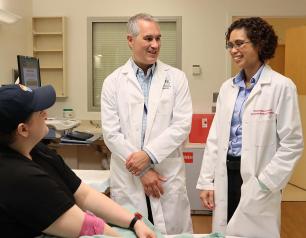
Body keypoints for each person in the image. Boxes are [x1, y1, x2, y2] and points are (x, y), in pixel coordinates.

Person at [0, 84, 156, 238]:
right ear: (23, 130)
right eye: (40, 112)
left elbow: (84, 195)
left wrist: (134, 222)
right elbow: (87, 226)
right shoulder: (19, 176)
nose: (47, 114)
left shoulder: (38, 150)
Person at [197, 17, 304, 238]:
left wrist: (265, 183)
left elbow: (292, 143)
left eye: (240, 43)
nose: (233, 50)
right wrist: (207, 180)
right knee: (225, 231)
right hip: (226, 173)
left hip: (258, 177)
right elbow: (215, 138)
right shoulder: (228, 88)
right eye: (230, 45)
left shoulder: (281, 87)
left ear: (259, 43)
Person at [101, 13, 193, 235]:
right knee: (132, 229)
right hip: (129, 178)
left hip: (165, 176)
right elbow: (111, 134)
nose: (155, 45)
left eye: (158, 39)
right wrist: (143, 170)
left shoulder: (176, 78)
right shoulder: (113, 82)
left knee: (171, 231)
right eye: (148, 38)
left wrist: (149, 155)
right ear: (130, 40)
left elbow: (181, 126)